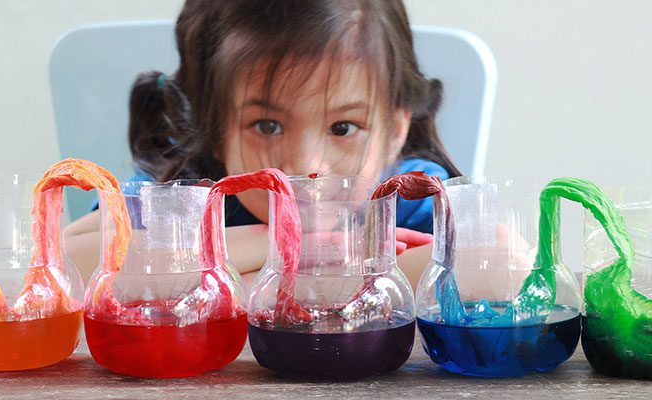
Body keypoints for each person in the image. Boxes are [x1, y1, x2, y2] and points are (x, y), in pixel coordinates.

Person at [64, 0, 461, 288]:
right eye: (268, 125)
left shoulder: (405, 193)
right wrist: (290, 244)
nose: (307, 165)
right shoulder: (178, 192)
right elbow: (66, 258)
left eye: (343, 127)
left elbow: (499, 264)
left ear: (395, 131)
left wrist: (254, 281)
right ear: (214, 129)